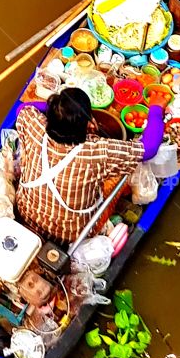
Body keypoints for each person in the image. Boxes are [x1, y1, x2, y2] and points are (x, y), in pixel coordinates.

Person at [14, 88, 163, 245]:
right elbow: (149, 148)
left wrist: (60, 110)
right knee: (121, 177)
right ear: (86, 125)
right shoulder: (96, 152)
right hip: (69, 235)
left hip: (26, 213)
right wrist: (156, 109)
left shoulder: (34, 128)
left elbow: (23, 108)